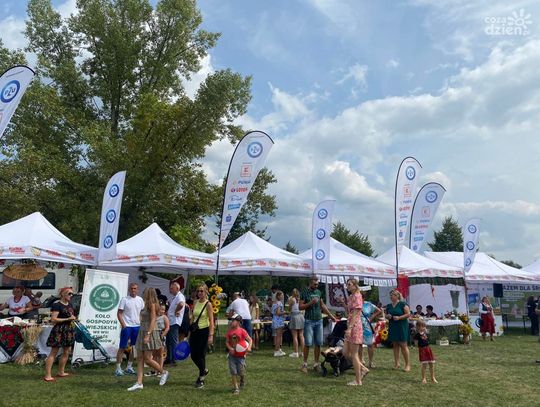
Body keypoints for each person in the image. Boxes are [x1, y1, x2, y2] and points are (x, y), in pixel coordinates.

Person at [127, 288, 169, 391]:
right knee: (140, 358)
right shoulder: (145, 304)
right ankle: (139, 382)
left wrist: (148, 334)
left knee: (147, 358)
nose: (143, 294)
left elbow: (153, 319)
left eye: (144, 292)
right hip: (142, 330)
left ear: (148, 294)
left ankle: (163, 372)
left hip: (149, 331)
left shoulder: (152, 304)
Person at [299, 276, 338, 373]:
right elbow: (300, 307)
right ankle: (304, 364)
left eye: (317, 284)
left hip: (319, 321)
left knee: (318, 343)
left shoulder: (318, 292)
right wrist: (310, 303)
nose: (316, 285)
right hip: (309, 320)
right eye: (315, 284)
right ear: (310, 283)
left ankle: (316, 364)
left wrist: (331, 316)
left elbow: (322, 305)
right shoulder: (304, 292)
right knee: (308, 343)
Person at [44, 287, 76, 381]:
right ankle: (48, 375)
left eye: (72, 294)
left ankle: (61, 372)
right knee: (54, 352)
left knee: (67, 351)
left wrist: (73, 318)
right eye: (69, 293)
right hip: (59, 330)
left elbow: (70, 316)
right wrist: (68, 319)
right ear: (62, 294)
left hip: (68, 330)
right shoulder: (57, 305)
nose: (71, 295)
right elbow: (53, 319)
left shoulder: (70, 304)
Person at [342, 278, 368, 386]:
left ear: (355, 285)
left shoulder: (357, 296)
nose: (347, 286)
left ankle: (358, 380)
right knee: (345, 352)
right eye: (347, 284)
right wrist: (343, 303)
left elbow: (356, 314)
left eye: (349, 284)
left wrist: (350, 328)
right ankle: (363, 369)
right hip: (350, 324)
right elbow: (349, 312)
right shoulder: (351, 297)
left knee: (354, 354)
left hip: (355, 326)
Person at [115, 283, 144, 376]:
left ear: (137, 289)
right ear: (129, 289)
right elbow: (119, 313)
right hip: (127, 326)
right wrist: (123, 325)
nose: (133, 290)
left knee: (134, 348)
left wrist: (141, 323)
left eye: (135, 288)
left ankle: (129, 367)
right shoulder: (124, 299)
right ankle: (118, 368)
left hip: (137, 326)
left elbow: (141, 313)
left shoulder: (140, 300)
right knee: (122, 347)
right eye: (131, 288)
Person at [190, 284, 215, 389]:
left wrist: (211, 335)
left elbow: (211, 320)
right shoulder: (195, 302)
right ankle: (204, 370)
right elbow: (193, 317)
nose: (199, 293)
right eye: (198, 291)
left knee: (201, 355)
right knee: (193, 355)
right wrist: (189, 330)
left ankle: (201, 379)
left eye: (201, 291)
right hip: (195, 331)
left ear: (206, 292)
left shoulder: (208, 304)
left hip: (204, 331)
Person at [225, 314, 253, 395]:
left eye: (233, 320)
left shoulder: (242, 331)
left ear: (238, 322)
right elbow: (227, 342)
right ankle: (236, 388)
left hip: (241, 356)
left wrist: (249, 347)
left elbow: (250, 340)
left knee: (241, 371)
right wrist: (230, 348)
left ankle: (242, 379)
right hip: (232, 355)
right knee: (233, 371)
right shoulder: (229, 331)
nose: (231, 322)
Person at [385, 289, 411, 371]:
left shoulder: (402, 304)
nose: (391, 297)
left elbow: (408, 314)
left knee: (403, 345)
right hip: (393, 326)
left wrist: (399, 317)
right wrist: (387, 316)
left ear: (397, 296)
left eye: (392, 295)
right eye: (390, 295)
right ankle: (397, 363)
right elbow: (386, 315)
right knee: (395, 345)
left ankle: (407, 365)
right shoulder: (389, 306)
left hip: (401, 326)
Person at [145, 304, 170, 377]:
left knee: (160, 354)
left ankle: (160, 370)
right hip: (153, 336)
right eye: (161, 309)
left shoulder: (164, 317)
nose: (162, 311)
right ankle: (155, 370)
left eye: (164, 310)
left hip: (160, 336)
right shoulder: (154, 317)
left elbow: (167, 327)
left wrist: (162, 335)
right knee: (154, 354)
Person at [165, 282, 187, 365]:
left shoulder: (180, 296)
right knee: (168, 341)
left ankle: (174, 359)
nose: (170, 290)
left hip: (174, 321)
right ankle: (169, 358)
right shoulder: (175, 297)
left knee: (173, 341)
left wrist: (176, 311)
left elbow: (181, 304)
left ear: (177, 289)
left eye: (172, 288)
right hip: (170, 321)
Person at [359, 297, 382, 368]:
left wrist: (371, 317)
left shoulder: (368, 304)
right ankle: (361, 361)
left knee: (370, 344)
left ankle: (370, 362)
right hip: (357, 326)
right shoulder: (355, 304)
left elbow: (379, 310)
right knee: (359, 344)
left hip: (367, 326)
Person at [288, 288, 305, 358]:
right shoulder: (300, 299)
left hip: (294, 316)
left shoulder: (292, 299)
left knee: (295, 336)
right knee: (301, 335)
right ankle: (303, 352)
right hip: (301, 316)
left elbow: (289, 309)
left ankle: (295, 352)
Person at [272, 291, 286, 357]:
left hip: (275, 320)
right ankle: (276, 351)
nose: (283, 297)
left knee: (278, 336)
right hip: (278, 321)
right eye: (282, 295)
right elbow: (278, 313)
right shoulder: (279, 303)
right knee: (278, 336)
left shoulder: (274, 303)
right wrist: (284, 312)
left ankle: (278, 349)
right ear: (278, 296)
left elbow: (274, 312)